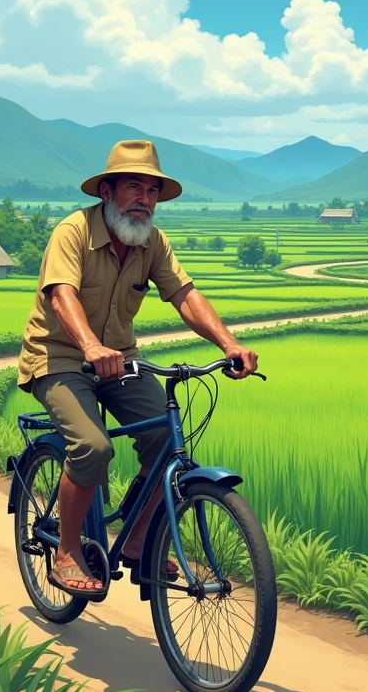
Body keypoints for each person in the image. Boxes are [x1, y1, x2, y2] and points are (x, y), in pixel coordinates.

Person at [17, 139, 258, 597]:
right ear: (106, 192)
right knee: (92, 446)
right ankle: (67, 551)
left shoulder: (152, 242)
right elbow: (60, 294)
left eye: (152, 191)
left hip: (121, 360)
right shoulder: (73, 232)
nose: (144, 200)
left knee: (169, 439)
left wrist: (229, 343)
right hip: (60, 358)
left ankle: (140, 538)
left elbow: (185, 295)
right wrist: (88, 345)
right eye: (133, 187)